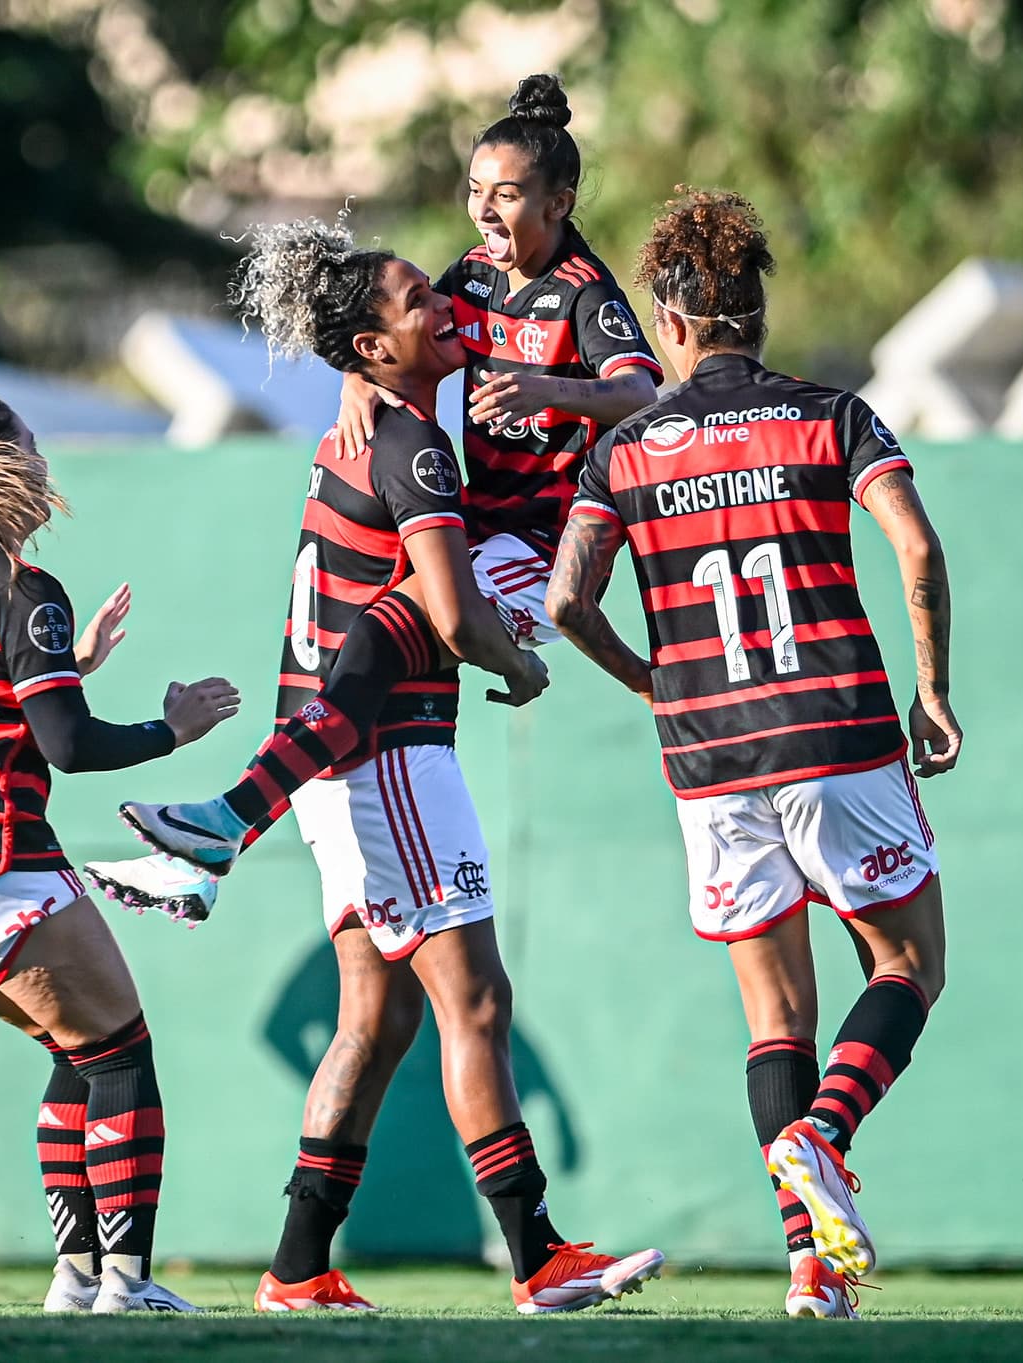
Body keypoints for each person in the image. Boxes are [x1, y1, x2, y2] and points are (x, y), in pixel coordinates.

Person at [90, 221, 663, 1314]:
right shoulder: (413, 447)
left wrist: (361, 384)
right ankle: (537, 1256)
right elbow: (449, 616)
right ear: (369, 347)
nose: (441, 305)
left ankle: (297, 1266)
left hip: (330, 762)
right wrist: (520, 663)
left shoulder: (364, 426)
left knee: (376, 1020)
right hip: (386, 760)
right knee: (476, 1002)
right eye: (414, 303)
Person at [543, 189, 960, 1321]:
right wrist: (930, 690)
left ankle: (810, 1270)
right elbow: (916, 546)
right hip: (835, 733)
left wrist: (651, 682)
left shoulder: (624, 452)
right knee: (908, 964)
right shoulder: (832, 415)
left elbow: (566, 602)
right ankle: (823, 1135)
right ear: (756, 314)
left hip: (710, 757)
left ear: (672, 324)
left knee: (776, 1022)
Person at [112, 73, 657, 879]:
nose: (484, 211)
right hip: (487, 529)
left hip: (545, 547)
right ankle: (216, 841)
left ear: (558, 205)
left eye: (506, 195)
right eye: (475, 190)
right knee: (364, 651)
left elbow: (641, 394)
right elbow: (393, 320)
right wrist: (353, 376)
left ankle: (229, 820)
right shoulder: (476, 275)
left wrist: (552, 390)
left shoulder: (584, 294)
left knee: (374, 636)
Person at [0, 396, 240, 1313]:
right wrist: (172, 729)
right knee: (121, 1055)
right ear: (1, 466)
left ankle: (75, 1278)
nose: (43, 460)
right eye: (30, 445)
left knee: (78, 1051)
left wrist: (72, 666)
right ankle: (128, 1283)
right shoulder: (25, 588)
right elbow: (66, 746)